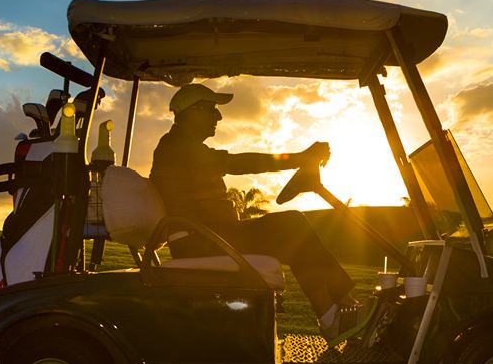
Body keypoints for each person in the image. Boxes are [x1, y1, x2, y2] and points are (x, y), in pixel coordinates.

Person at [149, 83, 375, 346]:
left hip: (207, 235)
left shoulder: (185, 148)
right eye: (212, 109)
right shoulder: (176, 147)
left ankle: (343, 309)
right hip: (199, 241)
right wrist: (300, 158)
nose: (218, 116)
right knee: (291, 225)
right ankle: (333, 316)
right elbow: (237, 163)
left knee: (291, 226)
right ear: (192, 111)